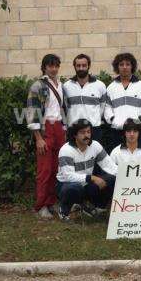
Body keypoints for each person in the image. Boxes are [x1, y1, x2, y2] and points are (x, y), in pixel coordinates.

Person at [26, 54, 67, 219]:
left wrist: (64, 127)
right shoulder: (37, 86)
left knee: (57, 168)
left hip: (59, 128)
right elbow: (32, 112)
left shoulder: (60, 85)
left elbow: (62, 108)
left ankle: (50, 203)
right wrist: (38, 138)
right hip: (45, 129)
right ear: (44, 67)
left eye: (56, 65)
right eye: (50, 66)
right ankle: (41, 205)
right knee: (45, 169)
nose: (54, 69)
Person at [56, 119, 117, 222]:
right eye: (82, 132)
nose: (86, 135)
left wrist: (125, 175)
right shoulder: (66, 150)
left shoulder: (95, 145)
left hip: (87, 184)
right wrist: (91, 178)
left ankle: (97, 208)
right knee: (74, 187)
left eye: (88, 132)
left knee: (112, 179)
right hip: (66, 185)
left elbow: (110, 166)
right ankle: (64, 210)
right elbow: (68, 176)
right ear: (75, 135)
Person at [104, 53, 141, 148]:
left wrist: (139, 120)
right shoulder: (111, 87)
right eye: (121, 64)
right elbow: (107, 108)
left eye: (128, 64)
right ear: (117, 67)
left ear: (132, 66)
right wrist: (113, 120)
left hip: (136, 132)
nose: (124, 67)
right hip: (117, 132)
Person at [63, 54, 107, 143]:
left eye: (84, 65)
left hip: (94, 129)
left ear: (89, 66)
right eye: (78, 66)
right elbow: (64, 108)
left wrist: (94, 119)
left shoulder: (100, 85)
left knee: (94, 156)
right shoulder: (66, 86)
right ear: (74, 67)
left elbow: (103, 107)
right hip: (73, 129)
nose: (81, 68)